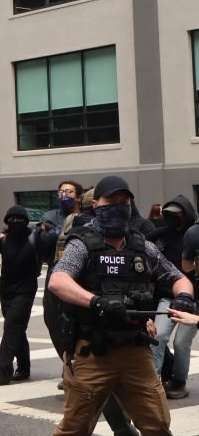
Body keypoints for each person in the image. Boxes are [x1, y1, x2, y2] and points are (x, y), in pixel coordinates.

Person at [48, 175, 195, 436]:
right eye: (110, 200)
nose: (118, 206)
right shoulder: (82, 243)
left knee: (157, 425)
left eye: (124, 201)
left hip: (135, 350)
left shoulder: (142, 247)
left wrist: (184, 295)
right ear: (96, 204)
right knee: (74, 429)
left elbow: (177, 277)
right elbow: (58, 281)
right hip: (93, 351)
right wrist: (95, 302)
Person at [0, 205, 44, 385]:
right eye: (11, 219)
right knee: (17, 329)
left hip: (26, 291)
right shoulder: (3, 239)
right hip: (6, 291)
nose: (14, 222)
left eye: (19, 219)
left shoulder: (34, 238)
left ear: (25, 221)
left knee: (11, 327)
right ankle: (23, 368)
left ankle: (4, 370)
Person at [147, 195, 199, 399]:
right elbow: (139, 240)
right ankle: (153, 381)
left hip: (194, 302)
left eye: (176, 214)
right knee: (157, 337)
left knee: (181, 343)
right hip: (168, 297)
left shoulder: (194, 234)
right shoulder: (160, 235)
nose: (172, 218)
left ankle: (179, 381)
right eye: (167, 214)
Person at [39, 180, 82, 362]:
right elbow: (44, 240)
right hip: (56, 272)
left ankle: (79, 365)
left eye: (69, 192)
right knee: (53, 320)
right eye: (61, 192)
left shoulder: (86, 216)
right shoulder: (51, 216)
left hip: (80, 277)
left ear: (78, 196)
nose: (64, 195)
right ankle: (66, 362)